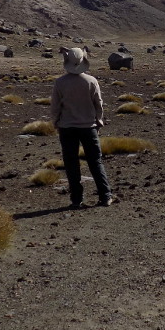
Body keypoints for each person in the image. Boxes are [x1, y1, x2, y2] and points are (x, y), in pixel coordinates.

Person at [50, 46, 112, 208]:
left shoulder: (60, 83)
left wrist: (55, 122)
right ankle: (105, 196)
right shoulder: (91, 81)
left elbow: (55, 107)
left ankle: (76, 200)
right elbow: (98, 104)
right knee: (95, 162)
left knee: (71, 164)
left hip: (67, 128)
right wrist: (98, 121)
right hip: (88, 127)